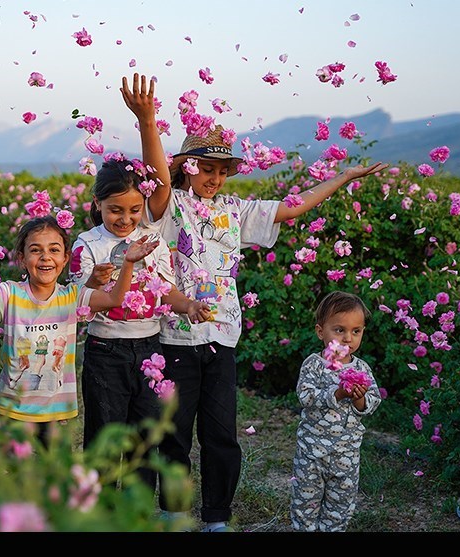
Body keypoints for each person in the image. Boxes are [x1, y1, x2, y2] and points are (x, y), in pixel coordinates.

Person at [122, 72, 388, 531]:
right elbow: (156, 177)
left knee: (222, 434)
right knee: (176, 434)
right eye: (207, 169)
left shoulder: (236, 211)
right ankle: (174, 513)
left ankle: (217, 519)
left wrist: (343, 178)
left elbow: (293, 206)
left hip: (222, 338)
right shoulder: (172, 207)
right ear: (188, 167)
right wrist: (148, 122)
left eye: (223, 171)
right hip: (175, 339)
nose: (215, 178)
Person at [69, 156, 211, 494]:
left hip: (150, 349)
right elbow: (78, 300)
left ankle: (138, 514)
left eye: (135, 210)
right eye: (116, 210)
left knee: (145, 440)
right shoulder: (86, 244)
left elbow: (167, 291)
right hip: (105, 351)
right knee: (104, 436)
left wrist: (188, 306)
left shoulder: (154, 242)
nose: (126, 218)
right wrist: (91, 280)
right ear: (98, 204)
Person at [0, 215, 159, 447]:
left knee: (53, 479)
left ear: (65, 259)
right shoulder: (9, 293)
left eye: (54, 250)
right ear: (22, 259)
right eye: (35, 250)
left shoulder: (72, 296)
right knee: (10, 478)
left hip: (54, 414)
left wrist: (128, 264)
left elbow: (114, 299)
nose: (45, 257)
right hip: (11, 411)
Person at [290, 291, 381, 532]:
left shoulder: (362, 368)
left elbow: (373, 401)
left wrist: (360, 399)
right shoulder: (314, 364)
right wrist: (337, 394)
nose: (348, 338)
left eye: (356, 331)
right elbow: (305, 396)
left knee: (341, 503)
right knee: (305, 502)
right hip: (311, 451)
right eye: (339, 330)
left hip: (346, 453)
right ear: (321, 331)